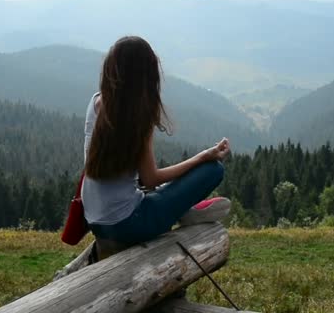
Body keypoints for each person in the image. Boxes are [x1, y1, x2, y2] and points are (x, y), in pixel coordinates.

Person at [82, 36, 231, 246]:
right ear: (147, 75)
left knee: (157, 193)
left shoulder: (96, 102)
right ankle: (182, 212)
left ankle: (176, 209)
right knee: (214, 169)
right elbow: (151, 179)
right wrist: (203, 156)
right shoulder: (137, 116)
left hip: (94, 221)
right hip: (129, 225)